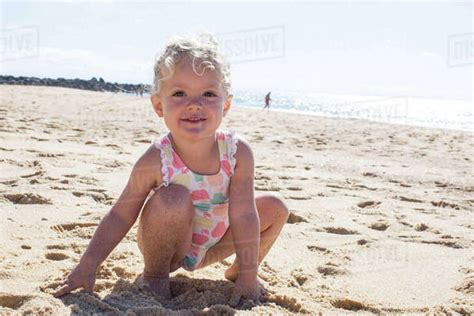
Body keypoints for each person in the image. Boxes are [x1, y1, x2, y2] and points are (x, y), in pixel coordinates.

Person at [53, 35, 289, 307]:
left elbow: (245, 213)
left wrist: (250, 274)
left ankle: (239, 271)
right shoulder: (156, 158)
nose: (194, 103)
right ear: (158, 106)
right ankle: (155, 276)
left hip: (214, 244)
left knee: (275, 206)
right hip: (168, 246)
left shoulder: (237, 153)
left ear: (226, 105)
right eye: (179, 93)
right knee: (173, 197)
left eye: (209, 94)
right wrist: (88, 264)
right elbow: (120, 213)